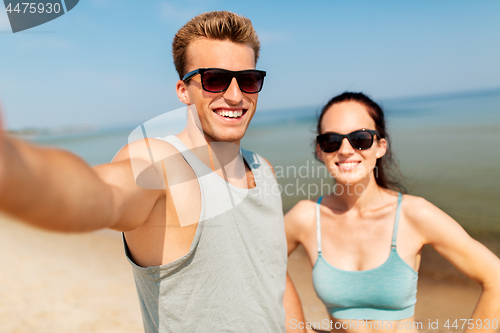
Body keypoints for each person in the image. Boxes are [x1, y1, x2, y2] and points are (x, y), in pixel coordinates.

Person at [0, 11, 307, 333]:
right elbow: (100, 194)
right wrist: (10, 164)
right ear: (183, 91)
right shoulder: (163, 163)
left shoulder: (264, 169)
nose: (234, 95)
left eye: (248, 80)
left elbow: (274, 273)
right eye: (214, 79)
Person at [285, 92, 500, 333]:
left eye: (360, 138)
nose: (345, 150)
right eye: (332, 141)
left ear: (380, 147)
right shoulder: (307, 217)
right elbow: (259, 263)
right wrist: (297, 328)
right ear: (320, 151)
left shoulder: (413, 214)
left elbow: (496, 279)